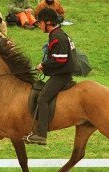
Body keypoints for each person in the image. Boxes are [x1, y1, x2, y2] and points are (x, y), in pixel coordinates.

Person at [23, 8, 76, 145]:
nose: (39, 25)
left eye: (40, 22)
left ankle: (41, 134)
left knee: (42, 99)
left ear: (48, 22)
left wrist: (43, 65)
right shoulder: (58, 34)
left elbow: (61, 59)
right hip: (60, 73)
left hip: (61, 76)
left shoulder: (56, 36)